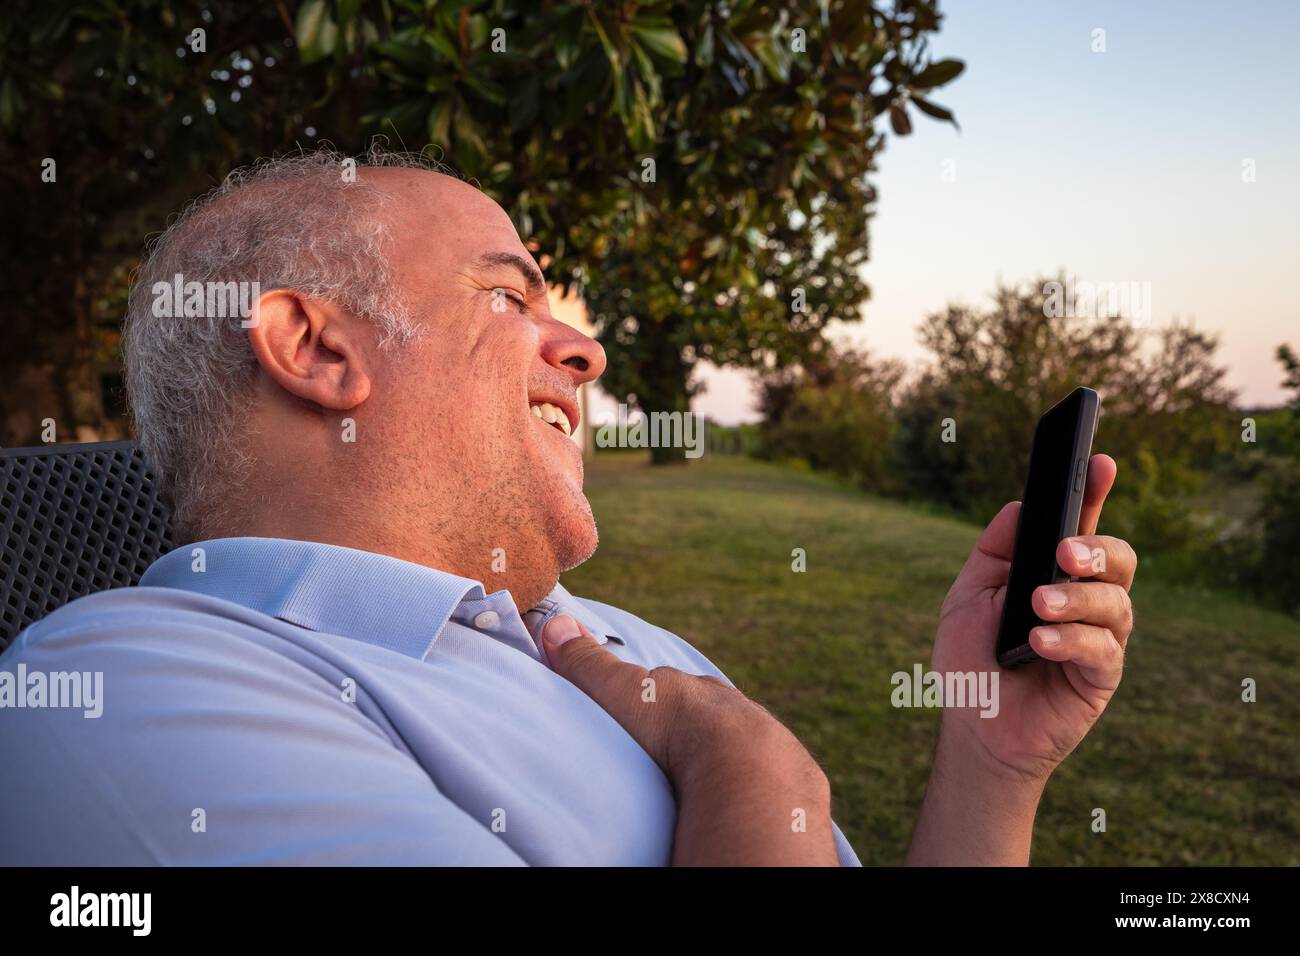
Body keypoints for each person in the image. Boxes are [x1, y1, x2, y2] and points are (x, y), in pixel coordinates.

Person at [0, 151, 1137, 865]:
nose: (584, 350)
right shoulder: (119, 692)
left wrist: (992, 766)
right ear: (313, 347)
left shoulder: (615, 639)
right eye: (508, 294)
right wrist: (749, 767)